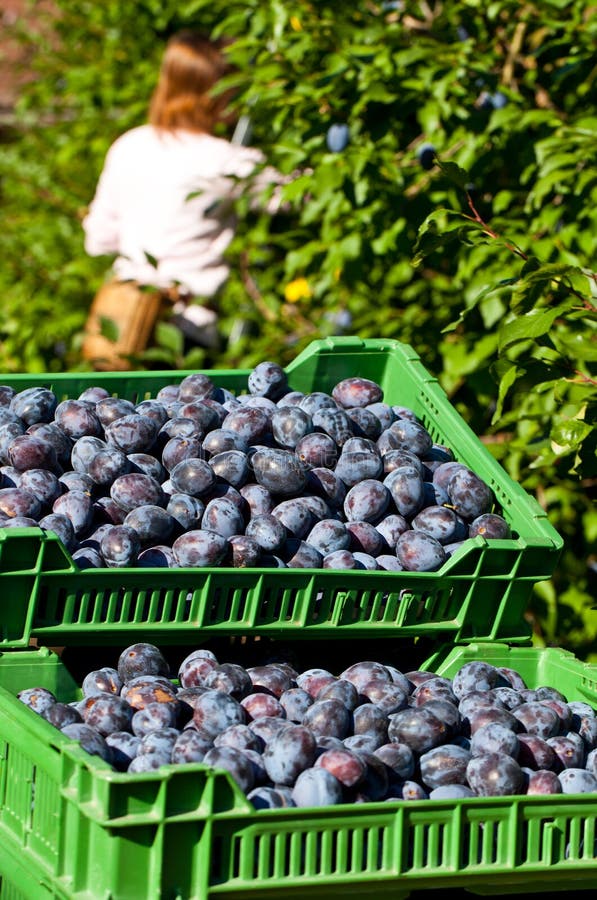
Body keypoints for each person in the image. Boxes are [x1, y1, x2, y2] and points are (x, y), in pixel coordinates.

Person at [81, 30, 284, 369]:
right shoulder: (227, 161)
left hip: (120, 323)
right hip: (187, 331)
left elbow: (98, 241)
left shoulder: (129, 145)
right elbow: (298, 195)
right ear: (217, 93)